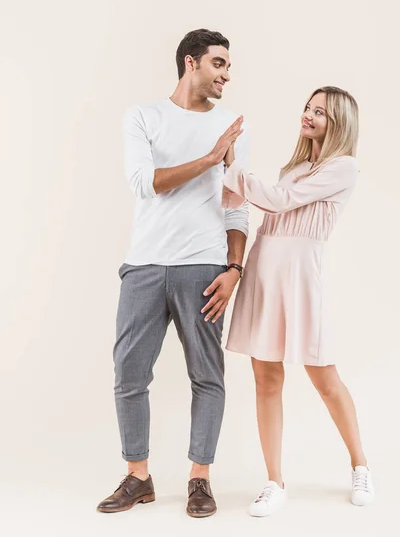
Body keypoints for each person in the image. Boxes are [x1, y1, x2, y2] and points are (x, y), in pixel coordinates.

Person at [97, 29, 250, 518]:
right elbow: (146, 184)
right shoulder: (144, 116)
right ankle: (137, 476)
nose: (227, 74)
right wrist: (209, 158)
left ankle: (200, 480)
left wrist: (234, 268)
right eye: (219, 64)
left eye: (228, 66)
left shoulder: (231, 126)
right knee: (129, 374)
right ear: (191, 63)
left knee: (207, 376)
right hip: (143, 264)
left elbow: (237, 207)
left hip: (204, 266)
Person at [219, 86, 374, 517]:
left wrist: (231, 164)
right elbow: (263, 203)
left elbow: (278, 200)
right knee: (266, 380)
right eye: (308, 107)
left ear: (339, 122)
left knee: (325, 379)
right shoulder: (297, 166)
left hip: (301, 283)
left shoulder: (344, 167)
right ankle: (274, 481)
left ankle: (360, 464)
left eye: (319, 112)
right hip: (265, 276)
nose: (308, 115)